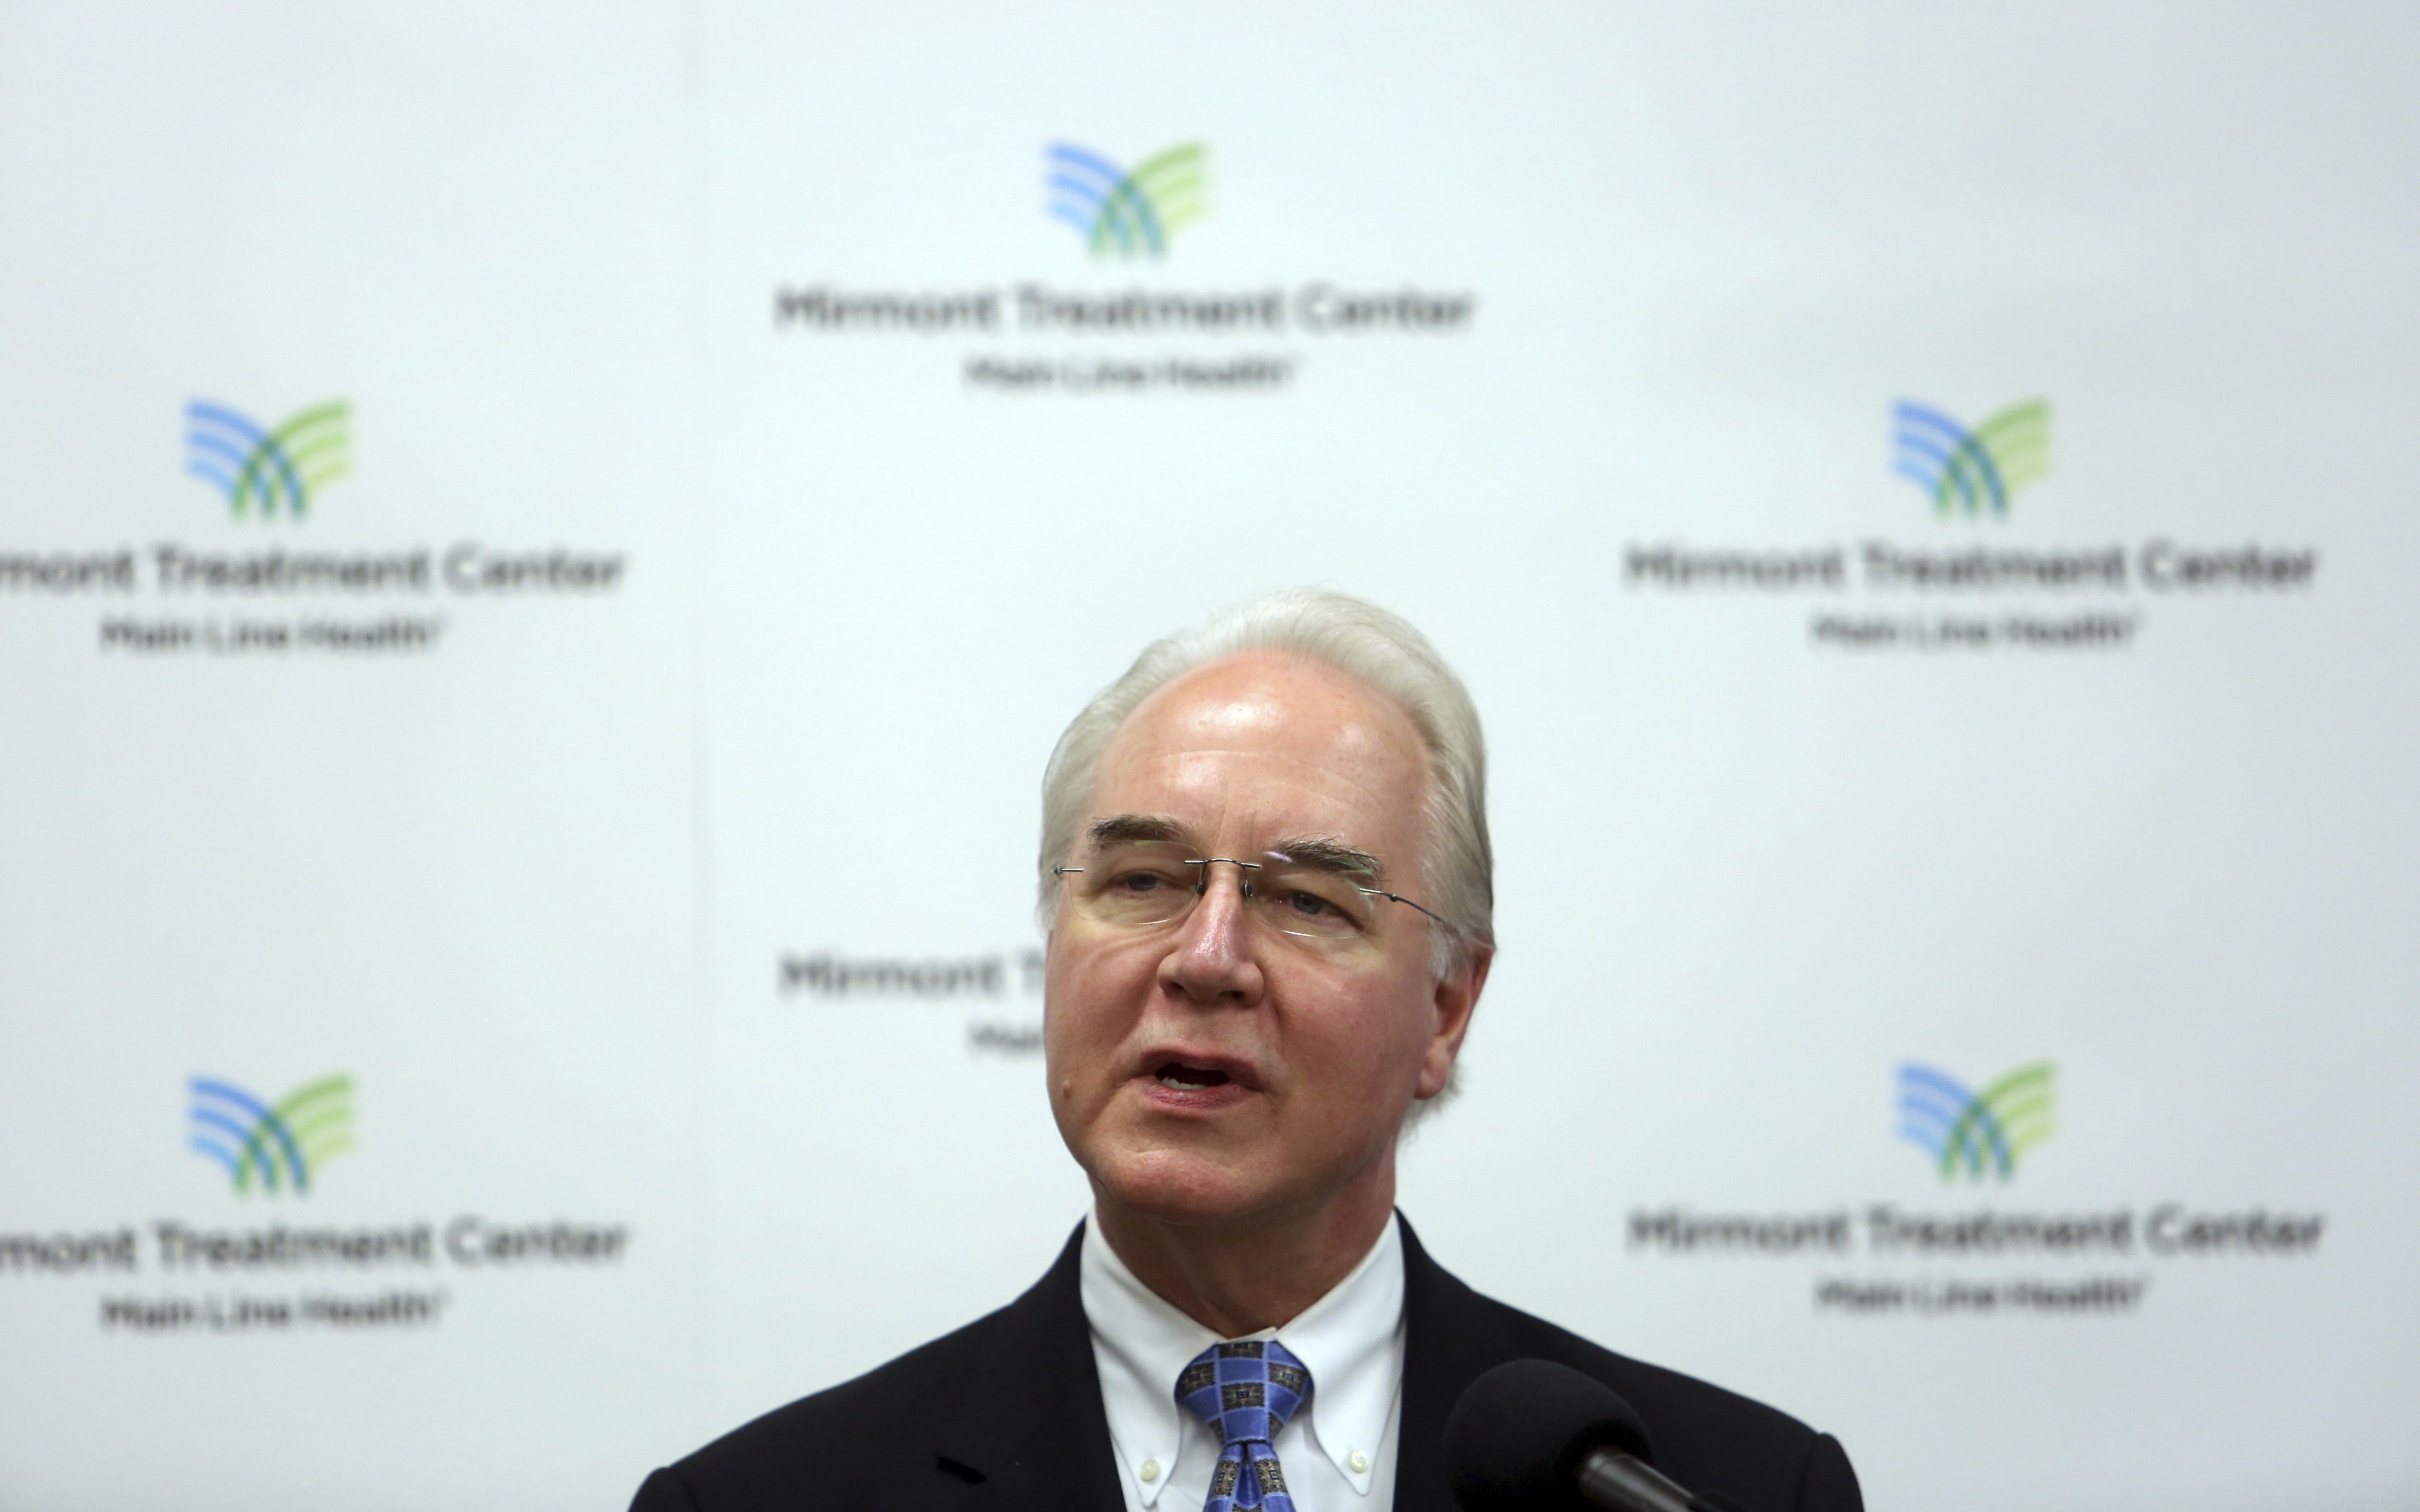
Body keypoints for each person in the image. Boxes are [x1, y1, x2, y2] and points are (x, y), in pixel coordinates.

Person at [631, 588, 1861, 1512]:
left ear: (1446, 1010)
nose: (1206, 957)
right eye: (1141, 880)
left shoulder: (1721, 1490)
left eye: (1310, 901)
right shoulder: (756, 1504)